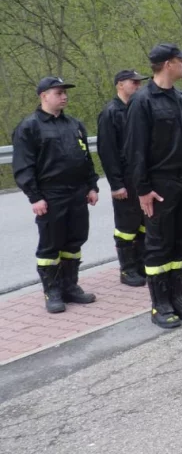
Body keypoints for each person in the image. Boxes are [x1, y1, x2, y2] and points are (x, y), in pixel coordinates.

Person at [124, 43, 182, 329]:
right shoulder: (142, 101)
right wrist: (142, 189)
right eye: (181, 61)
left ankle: (178, 297)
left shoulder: (181, 98)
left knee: (181, 241)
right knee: (158, 244)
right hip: (159, 184)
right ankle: (160, 304)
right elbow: (135, 150)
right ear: (169, 64)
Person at [13, 77, 100, 313]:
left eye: (65, 93)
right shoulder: (29, 127)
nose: (64, 96)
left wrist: (92, 186)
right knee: (51, 246)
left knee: (74, 242)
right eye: (59, 92)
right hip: (51, 195)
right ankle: (52, 292)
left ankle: (70, 287)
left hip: (77, 193)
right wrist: (35, 197)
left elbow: (85, 159)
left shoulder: (74, 124)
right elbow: (23, 166)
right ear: (44, 96)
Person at [98, 69, 149, 287]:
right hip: (125, 180)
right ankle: (127, 270)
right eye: (133, 83)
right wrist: (116, 184)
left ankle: (142, 264)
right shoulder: (111, 112)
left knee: (143, 224)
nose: (138, 87)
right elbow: (107, 152)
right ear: (120, 84)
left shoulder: (139, 109)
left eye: (139, 83)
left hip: (142, 178)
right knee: (126, 227)